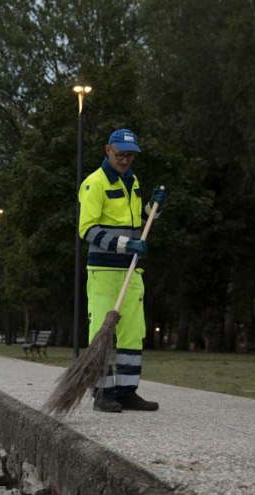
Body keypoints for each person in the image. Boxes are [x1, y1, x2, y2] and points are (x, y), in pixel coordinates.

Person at [78, 128, 166, 413]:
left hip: (132, 271)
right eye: (121, 155)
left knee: (132, 332)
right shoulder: (94, 184)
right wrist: (127, 244)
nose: (126, 160)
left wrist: (156, 206)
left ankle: (127, 391)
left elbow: (141, 218)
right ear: (108, 150)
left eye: (131, 155)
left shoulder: (134, 181)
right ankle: (102, 392)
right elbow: (88, 230)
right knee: (101, 332)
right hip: (104, 271)